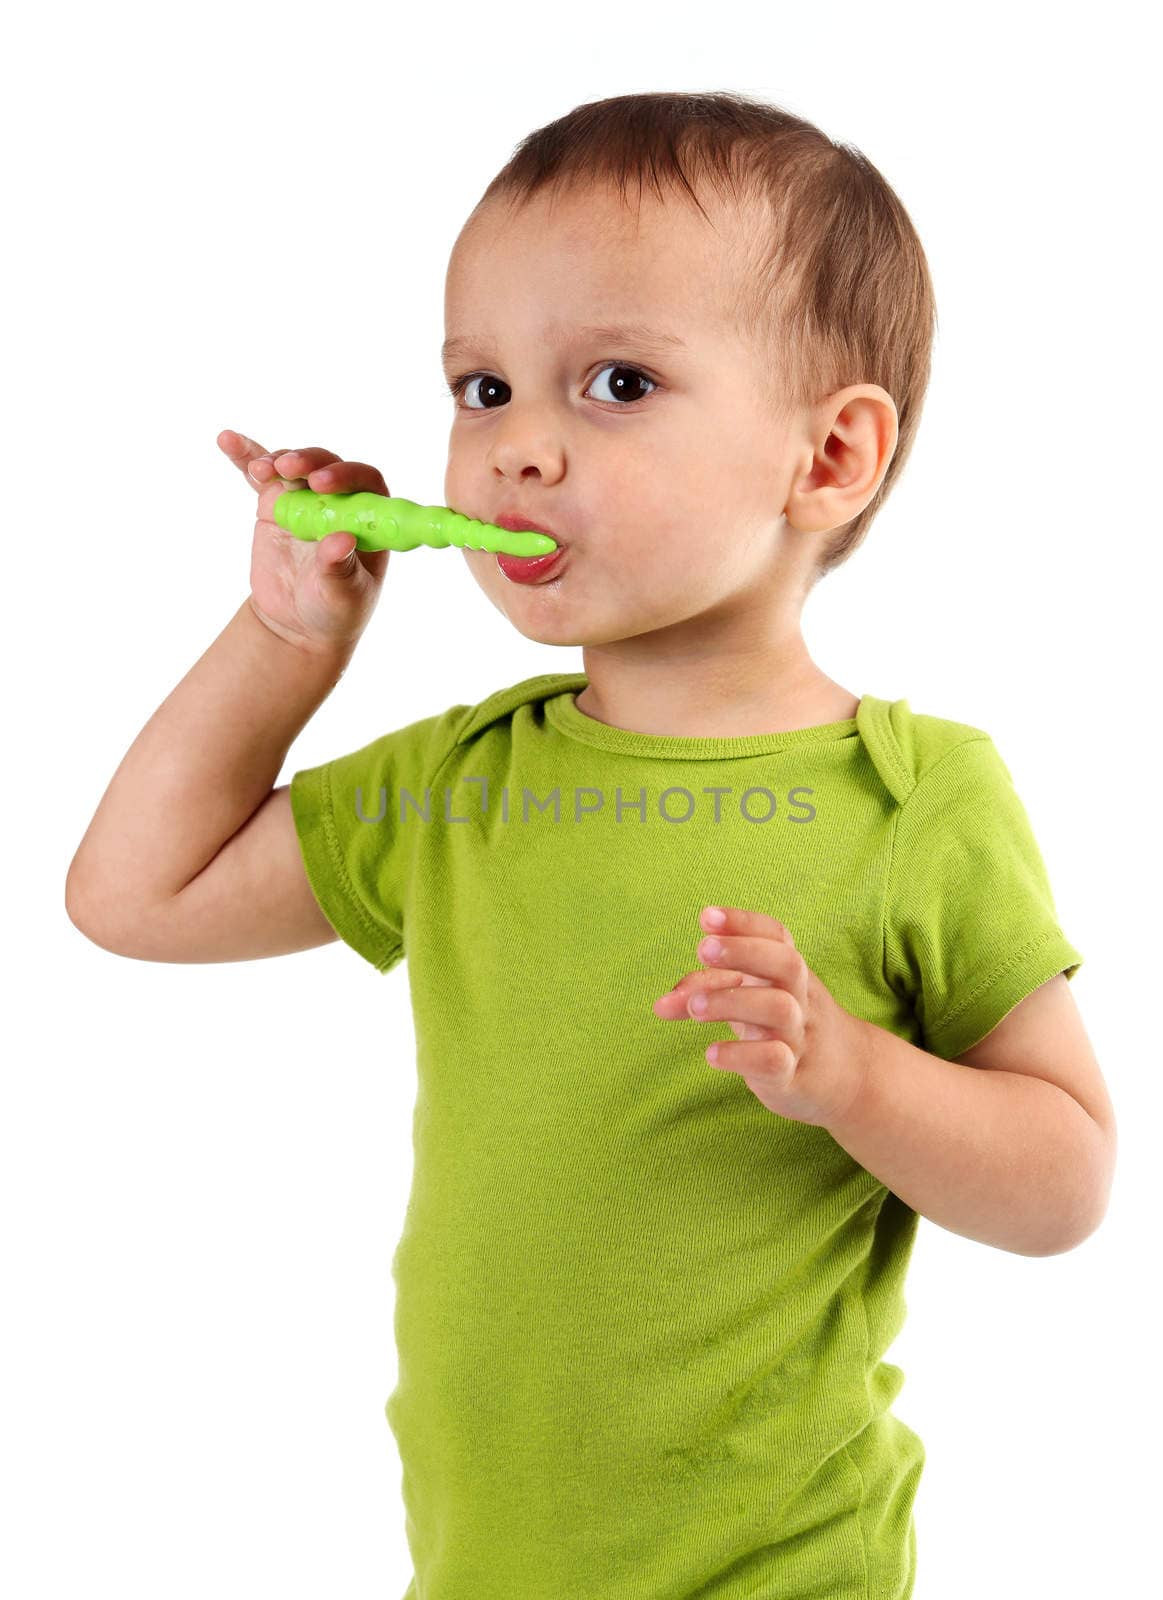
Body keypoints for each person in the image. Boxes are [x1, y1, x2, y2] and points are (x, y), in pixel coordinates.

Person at [65, 90, 1117, 1600]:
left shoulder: (914, 795)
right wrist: (286, 640)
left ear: (827, 459)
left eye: (615, 383)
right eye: (482, 388)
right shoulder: (468, 779)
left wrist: (855, 1077)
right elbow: (130, 898)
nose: (517, 453)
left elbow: (1066, 1183)